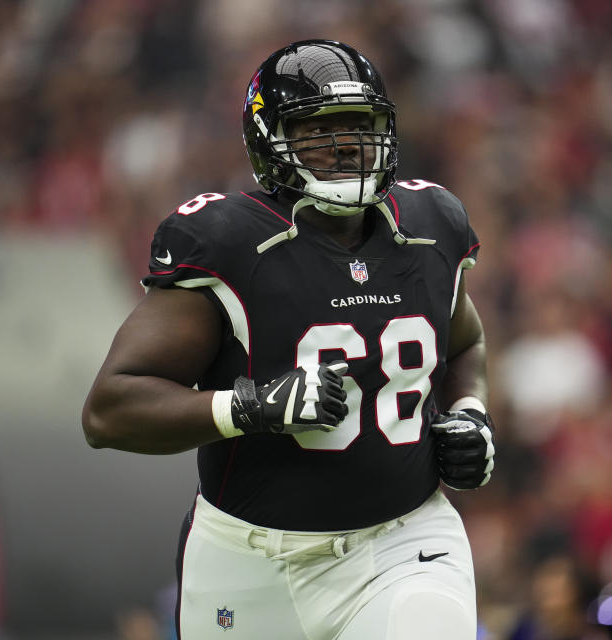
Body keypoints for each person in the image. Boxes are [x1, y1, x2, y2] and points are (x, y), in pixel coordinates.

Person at [82, 39, 496, 640]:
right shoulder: (226, 241)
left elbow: (466, 345)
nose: (347, 144)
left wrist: (471, 413)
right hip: (249, 562)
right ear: (268, 141)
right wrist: (251, 407)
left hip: (404, 543)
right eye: (317, 130)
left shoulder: (434, 225)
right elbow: (108, 410)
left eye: (361, 125)